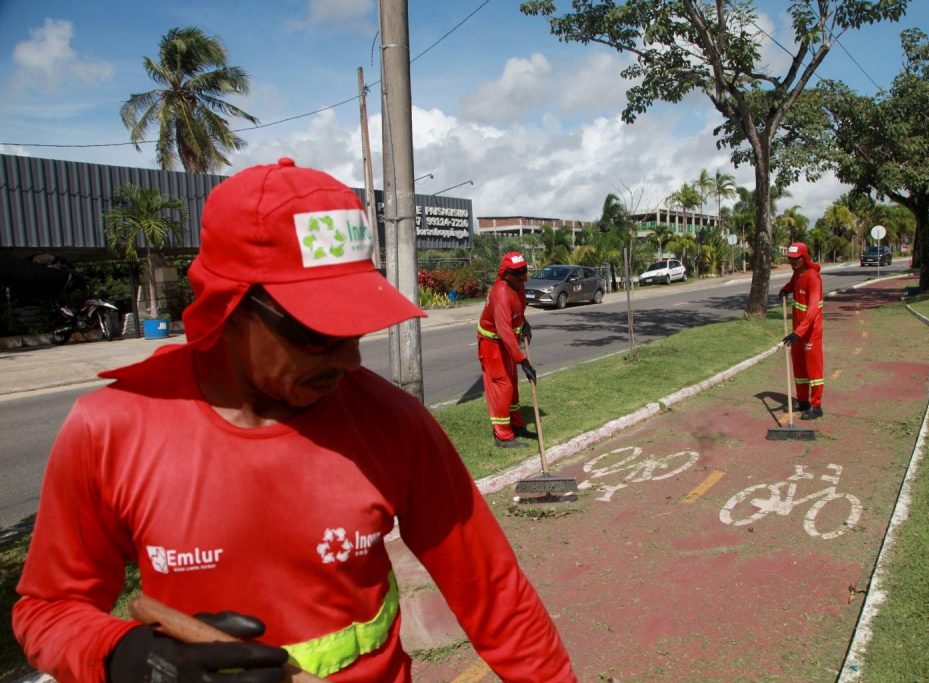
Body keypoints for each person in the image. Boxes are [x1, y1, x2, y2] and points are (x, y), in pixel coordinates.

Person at [13, 159, 576, 683]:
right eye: (316, 332)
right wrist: (124, 656)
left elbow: (496, 596)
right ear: (230, 307)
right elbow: (48, 610)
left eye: (355, 327)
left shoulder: (394, 423)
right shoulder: (110, 429)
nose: (349, 359)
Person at [476, 252, 537, 448]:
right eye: (517, 273)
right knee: (503, 385)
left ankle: (516, 425)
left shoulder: (518, 286)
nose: (522, 277)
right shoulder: (501, 293)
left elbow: (518, 311)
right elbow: (504, 332)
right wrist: (523, 361)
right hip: (492, 344)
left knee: (512, 384)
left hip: (506, 343)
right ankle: (502, 436)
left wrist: (524, 323)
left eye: (524, 271)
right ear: (506, 274)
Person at [779, 241, 825, 420]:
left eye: (795, 259)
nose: (792, 262)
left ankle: (816, 405)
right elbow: (793, 284)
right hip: (798, 331)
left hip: (810, 331)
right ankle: (802, 400)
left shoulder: (813, 277)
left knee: (813, 368)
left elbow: (813, 309)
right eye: (790, 259)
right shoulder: (797, 273)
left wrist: (799, 332)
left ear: (804, 257)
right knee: (798, 366)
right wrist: (785, 290)